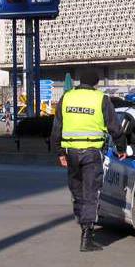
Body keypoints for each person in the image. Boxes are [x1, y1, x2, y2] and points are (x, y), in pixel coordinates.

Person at [51, 71, 126, 252]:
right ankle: (87, 235)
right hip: (92, 152)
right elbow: (114, 126)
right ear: (96, 83)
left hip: (71, 153)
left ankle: (81, 217)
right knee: (91, 191)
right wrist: (122, 147)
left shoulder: (67, 98)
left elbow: (56, 128)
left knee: (77, 188)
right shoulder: (101, 99)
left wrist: (59, 152)